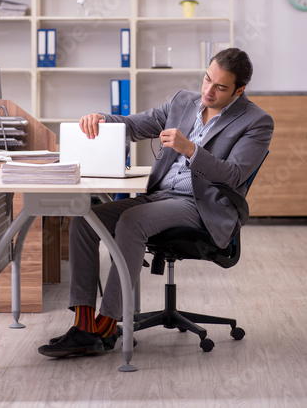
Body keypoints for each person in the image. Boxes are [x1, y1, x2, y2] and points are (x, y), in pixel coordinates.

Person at [38, 48, 274, 358]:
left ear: (239, 90)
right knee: (85, 219)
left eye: (220, 87)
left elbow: (232, 175)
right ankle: (84, 327)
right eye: (207, 79)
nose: (208, 91)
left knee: (132, 221)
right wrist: (101, 119)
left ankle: (107, 324)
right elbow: (134, 126)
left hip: (202, 207)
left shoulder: (256, 122)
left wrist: (191, 150)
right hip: (160, 196)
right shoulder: (182, 102)